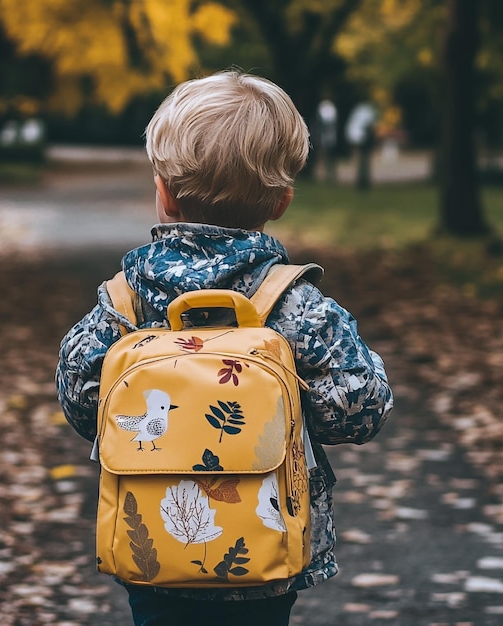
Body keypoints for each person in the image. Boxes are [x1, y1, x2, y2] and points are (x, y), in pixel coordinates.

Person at [56, 70, 394, 626]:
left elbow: (79, 396)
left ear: (163, 192)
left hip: (150, 547)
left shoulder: (126, 301)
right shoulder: (292, 304)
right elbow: (362, 409)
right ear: (282, 200)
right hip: (266, 549)